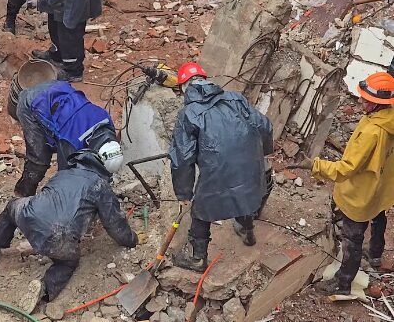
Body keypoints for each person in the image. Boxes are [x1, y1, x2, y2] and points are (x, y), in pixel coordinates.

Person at [0, 150, 138, 304]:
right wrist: (131, 240)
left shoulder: (64, 173)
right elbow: (114, 224)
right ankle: (45, 291)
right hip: (58, 236)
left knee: (12, 207)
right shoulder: (101, 186)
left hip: (28, 214)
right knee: (67, 262)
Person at [295, 72, 394, 297]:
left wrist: (314, 165)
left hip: (361, 193)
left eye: (365, 99)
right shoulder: (389, 118)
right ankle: (376, 253)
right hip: (382, 187)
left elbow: (346, 168)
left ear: (378, 103)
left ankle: (343, 282)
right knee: (378, 215)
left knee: (352, 239)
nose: (360, 101)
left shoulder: (372, 131)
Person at [168, 62, 274, 272]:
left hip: (218, 170)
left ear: (183, 87)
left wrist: (183, 193)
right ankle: (247, 230)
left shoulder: (188, 114)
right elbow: (265, 126)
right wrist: (258, 155)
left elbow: (182, 157)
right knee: (243, 192)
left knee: (200, 209)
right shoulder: (236, 99)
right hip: (249, 166)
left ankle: (199, 258)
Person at [11, 79, 123, 197]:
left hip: (57, 88)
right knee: (39, 160)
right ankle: (22, 195)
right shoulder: (72, 141)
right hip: (31, 102)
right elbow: (65, 178)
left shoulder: (106, 121)